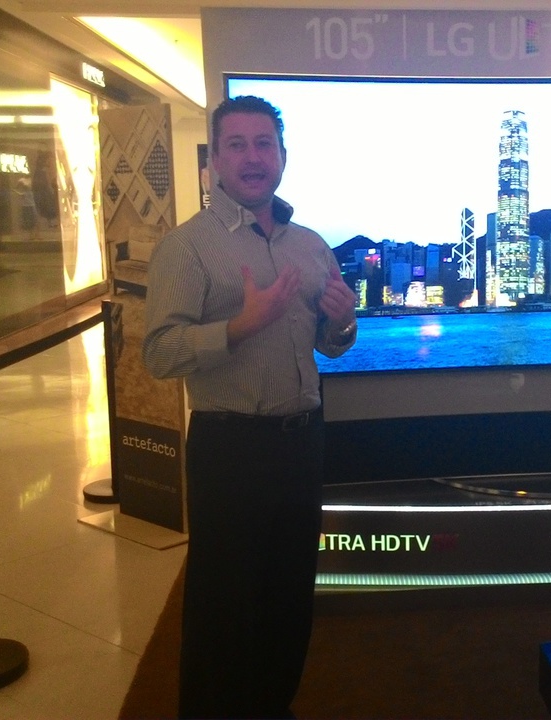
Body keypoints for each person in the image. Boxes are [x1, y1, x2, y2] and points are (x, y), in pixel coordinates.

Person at [142, 95, 357, 719]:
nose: (252, 157)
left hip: (302, 440)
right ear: (215, 161)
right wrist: (240, 326)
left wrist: (343, 322)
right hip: (229, 447)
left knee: (289, 597)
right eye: (236, 145)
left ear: (283, 156)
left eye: (264, 143)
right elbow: (159, 354)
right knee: (224, 608)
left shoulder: (310, 246)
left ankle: (271, 705)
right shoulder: (187, 247)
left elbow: (330, 345)